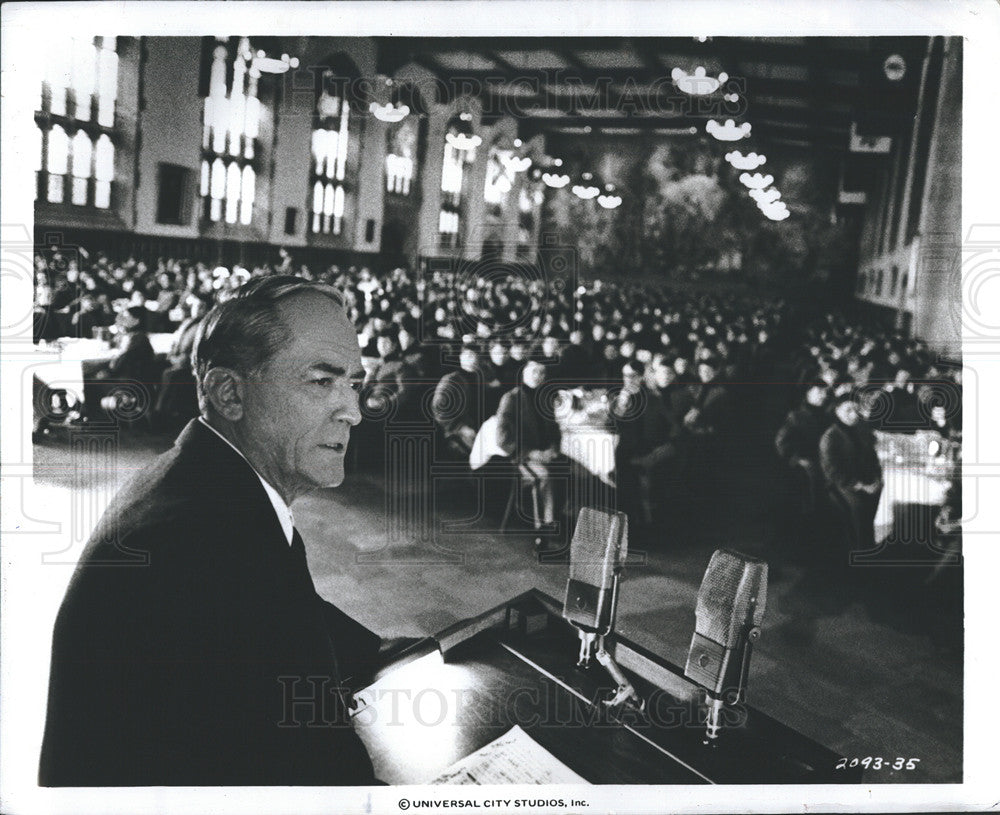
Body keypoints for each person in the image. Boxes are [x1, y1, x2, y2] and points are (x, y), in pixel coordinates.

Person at [40, 276, 382, 786]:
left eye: (354, 382)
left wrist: (394, 652)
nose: (353, 410)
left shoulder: (208, 480)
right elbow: (314, 772)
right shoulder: (200, 545)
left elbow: (289, 608)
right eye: (321, 382)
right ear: (229, 392)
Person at [496, 360, 561, 529]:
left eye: (542, 373)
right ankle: (544, 528)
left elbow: (554, 429)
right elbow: (502, 438)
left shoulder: (545, 398)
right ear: (524, 374)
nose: (538, 376)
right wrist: (531, 453)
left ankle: (568, 522)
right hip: (522, 456)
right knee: (542, 477)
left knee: (575, 470)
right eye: (534, 372)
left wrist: (553, 448)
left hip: (545, 452)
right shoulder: (511, 398)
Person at [819, 394, 884, 555]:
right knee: (859, 507)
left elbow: (872, 457)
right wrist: (863, 486)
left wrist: (876, 479)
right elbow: (833, 473)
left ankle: (877, 544)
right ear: (837, 411)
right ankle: (860, 550)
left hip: (864, 479)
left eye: (856, 410)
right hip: (842, 484)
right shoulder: (830, 437)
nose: (854, 414)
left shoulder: (860, 430)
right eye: (848, 410)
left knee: (883, 498)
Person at [431, 344, 485, 457]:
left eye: (477, 356)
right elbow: (439, 409)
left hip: (476, 427)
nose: (473, 359)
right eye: (469, 355)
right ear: (460, 357)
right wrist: (461, 427)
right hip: (455, 433)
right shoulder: (451, 380)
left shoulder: (479, 378)